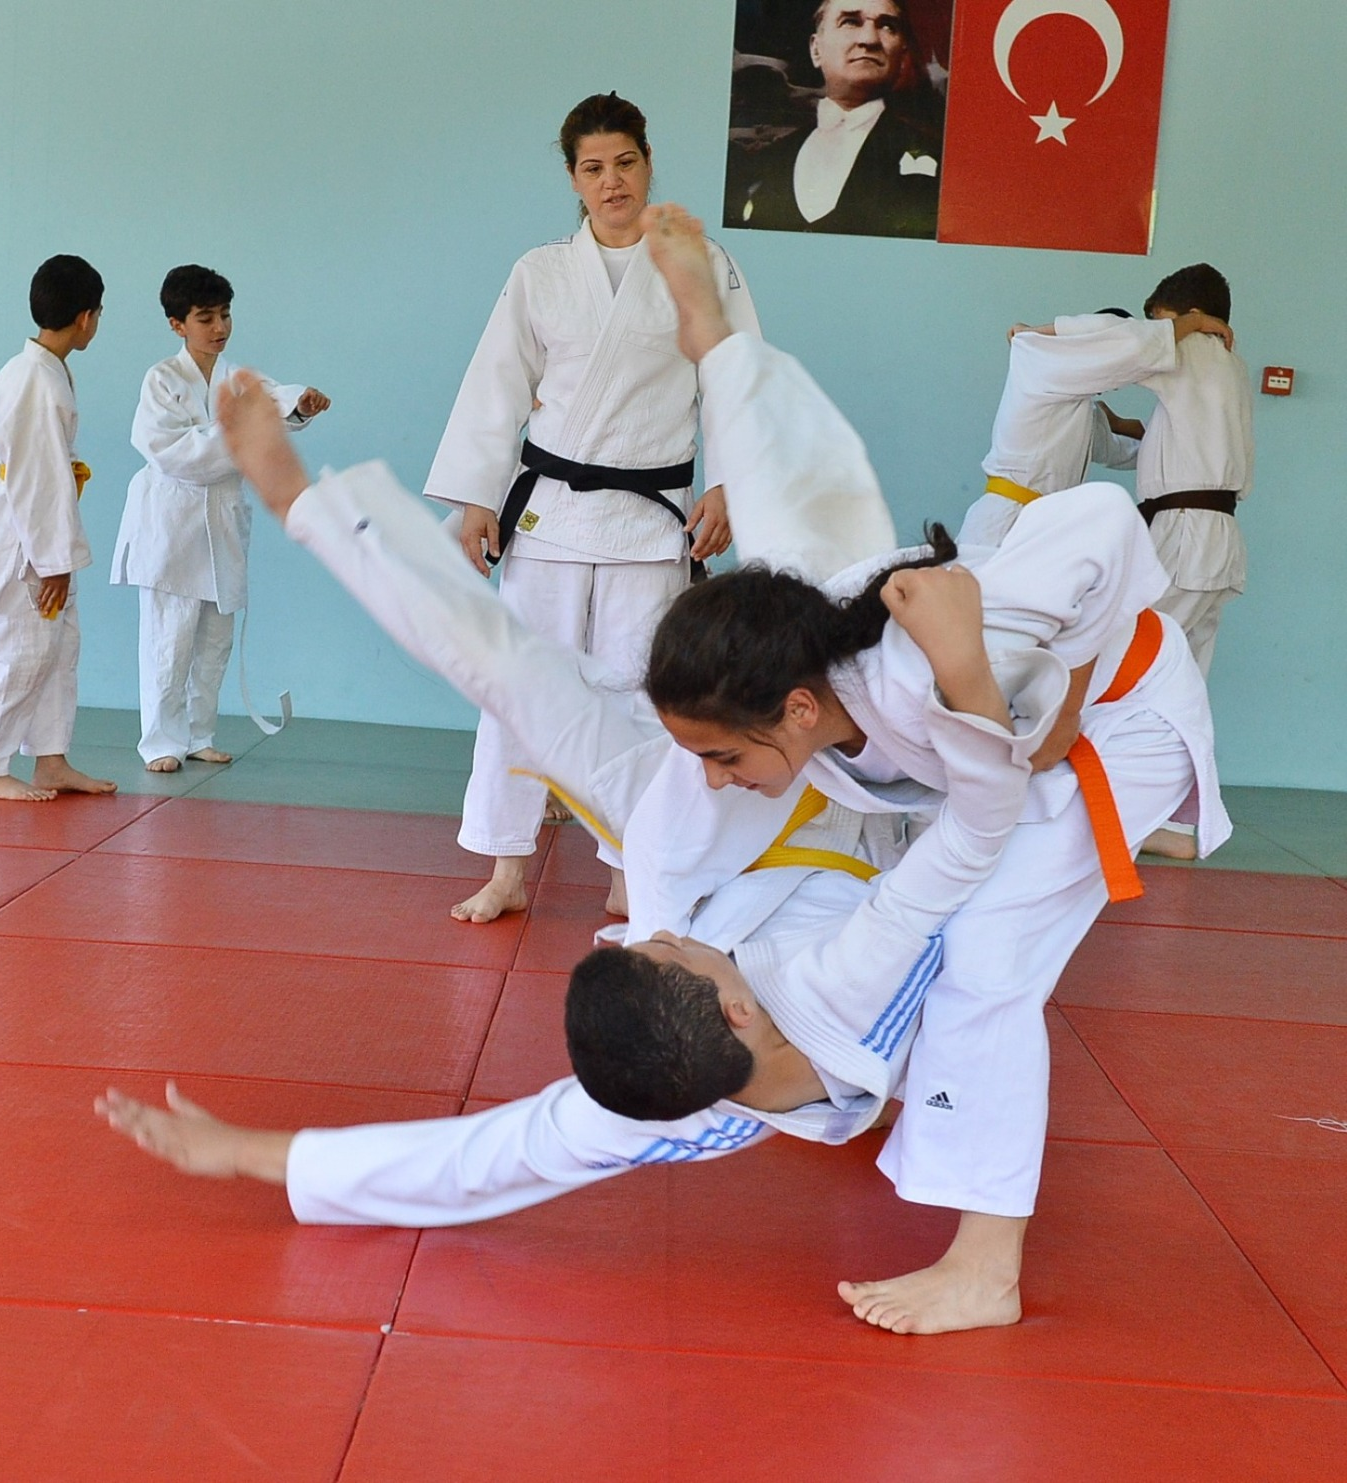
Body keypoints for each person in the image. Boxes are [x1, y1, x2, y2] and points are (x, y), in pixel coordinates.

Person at [99, 343, 1075, 1282]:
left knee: (509, 670)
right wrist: (992, 692)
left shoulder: (671, 1015)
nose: (635, 938)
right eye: (651, 950)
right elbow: (977, 827)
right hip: (847, 805)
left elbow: (497, 1151)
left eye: (638, 945)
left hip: (692, 828)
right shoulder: (838, 1006)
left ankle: (303, 503)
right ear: (736, 1010)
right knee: (907, 651)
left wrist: (256, 1154)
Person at [614, 204, 1225, 1334]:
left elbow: (1102, 515)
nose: (711, 776)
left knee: (985, 954)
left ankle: (986, 1268)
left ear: (799, 711)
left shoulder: (929, 653)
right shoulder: (785, 628)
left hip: (1115, 720)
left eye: (725, 754)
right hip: (984, 733)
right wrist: (704, 318)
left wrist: (1047, 693)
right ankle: (911, 1094)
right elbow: (763, 452)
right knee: (878, 889)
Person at [426, 91, 759, 925]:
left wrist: (728, 483)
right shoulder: (540, 272)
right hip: (549, 517)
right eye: (593, 168)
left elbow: (733, 378)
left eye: (625, 163)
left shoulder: (700, 263)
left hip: (652, 518)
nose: (612, 181)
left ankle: (628, 871)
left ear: (648, 163)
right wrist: (477, 497)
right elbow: (497, 384)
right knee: (519, 691)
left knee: (641, 703)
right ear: (573, 178)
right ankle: (507, 866)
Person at [111, 265, 329, 772]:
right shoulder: (162, 379)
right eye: (205, 318)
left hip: (222, 518)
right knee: (169, 639)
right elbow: (171, 452)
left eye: (225, 315)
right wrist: (242, 433)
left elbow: (273, 400)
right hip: (172, 521)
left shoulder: (236, 380)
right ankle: (160, 742)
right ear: (177, 324)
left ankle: (199, 733)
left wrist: (299, 402)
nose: (219, 327)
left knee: (214, 638)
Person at [1107, 265, 1253, 861]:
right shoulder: (1228, 365)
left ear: (1190, 316)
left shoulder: (1192, 347)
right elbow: (1173, 440)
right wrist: (1119, 427)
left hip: (1187, 534)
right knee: (1182, 682)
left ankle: (1126, 812)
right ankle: (1165, 820)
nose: (1156, 331)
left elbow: (1116, 342)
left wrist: (1037, 334)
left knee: (1133, 666)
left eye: (1162, 320)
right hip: (1214, 537)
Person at [0, 255, 117, 803]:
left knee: (57, 650)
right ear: (85, 317)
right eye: (98, 313)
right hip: (26, 545)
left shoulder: (42, 370)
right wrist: (53, 561)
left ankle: (50, 760)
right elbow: (35, 479)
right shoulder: (33, 379)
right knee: (19, 652)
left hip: (44, 534)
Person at [958, 306, 1235, 550]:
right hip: (1003, 521)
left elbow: (1124, 453)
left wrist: (1182, 443)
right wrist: (1195, 322)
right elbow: (1135, 347)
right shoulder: (1045, 366)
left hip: (1040, 527)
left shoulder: (1084, 412)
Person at [724, 1, 943, 239]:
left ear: (901, 57)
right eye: (850, 22)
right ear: (816, 50)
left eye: (887, 26)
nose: (869, 39)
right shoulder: (771, 159)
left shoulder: (935, 155)